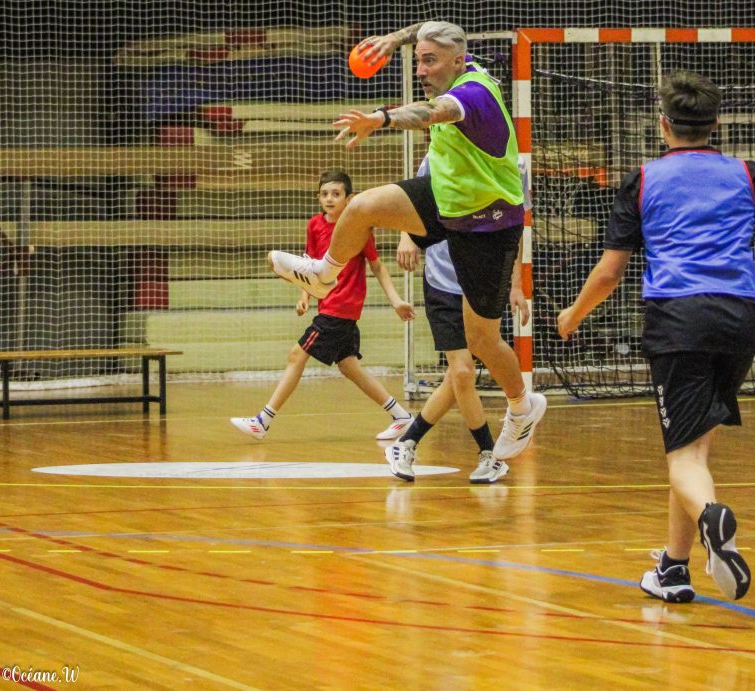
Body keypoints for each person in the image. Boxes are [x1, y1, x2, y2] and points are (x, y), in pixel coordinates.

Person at [557, 71, 755, 603]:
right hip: (740, 317)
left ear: (663, 125)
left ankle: (711, 516)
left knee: (683, 457)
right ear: (715, 124)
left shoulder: (643, 180)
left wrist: (575, 313)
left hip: (679, 319)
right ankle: (673, 569)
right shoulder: (748, 173)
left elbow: (610, 271)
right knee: (693, 446)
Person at [266, 21, 545, 461]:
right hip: (447, 198)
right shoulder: (460, 61)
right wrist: (397, 39)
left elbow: (431, 113)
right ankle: (323, 275)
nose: (420, 70)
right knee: (361, 207)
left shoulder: (473, 94)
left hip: (487, 223)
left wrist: (381, 118)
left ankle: (522, 407)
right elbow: (434, 28)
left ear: (457, 61)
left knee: (483, 342)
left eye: (429, 61)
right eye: (418, 61)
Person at [231, 170, 416, 442]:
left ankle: (263, 421)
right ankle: (401, 416)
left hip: (341, 307)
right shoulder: (314, 225)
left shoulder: (358, 227)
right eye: (324, 194)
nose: (329, 199)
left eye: (336, 194)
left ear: (349, 198)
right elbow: (309, 268)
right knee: (348, 366)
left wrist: (396, 300)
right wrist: (305, 296)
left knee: (297, 354)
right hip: (327, 305)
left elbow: (377, 266)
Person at [386, 155, 531, 483]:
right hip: (442, 281)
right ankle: (489, 454)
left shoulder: (514, 163)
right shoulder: (438, 155)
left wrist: (516, 284)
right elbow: (413, 201)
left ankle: (407, 442)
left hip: (482, 281)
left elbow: (515, 230)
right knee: (463, 371)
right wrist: (407, 236)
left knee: (457, 375)